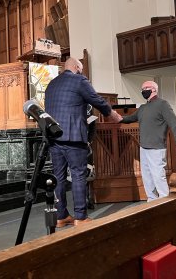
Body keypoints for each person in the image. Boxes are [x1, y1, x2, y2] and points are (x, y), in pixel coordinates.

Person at [44, 57, 122, 227]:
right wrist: (113, 115)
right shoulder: (79, 80)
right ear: (77, 67)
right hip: (73, 137)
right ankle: (80, 217)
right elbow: (97, 100)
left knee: (59, 177)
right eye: (81, 68)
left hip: (54, 138)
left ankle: (61, 216)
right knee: (78, 175)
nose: (82, 71)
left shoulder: (52, 84)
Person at [120, 80, 176, 202]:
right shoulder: (143, 108)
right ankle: (151, 200)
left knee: (158, 176)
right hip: (143, 148)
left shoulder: (163, 104)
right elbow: (129, 119)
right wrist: (117, 117)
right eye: (142, 88)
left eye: (146, 87)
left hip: (156, 148)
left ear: (154, 89)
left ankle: (165, 201)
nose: (143, 90)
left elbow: (174, 124)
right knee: (147, 177)